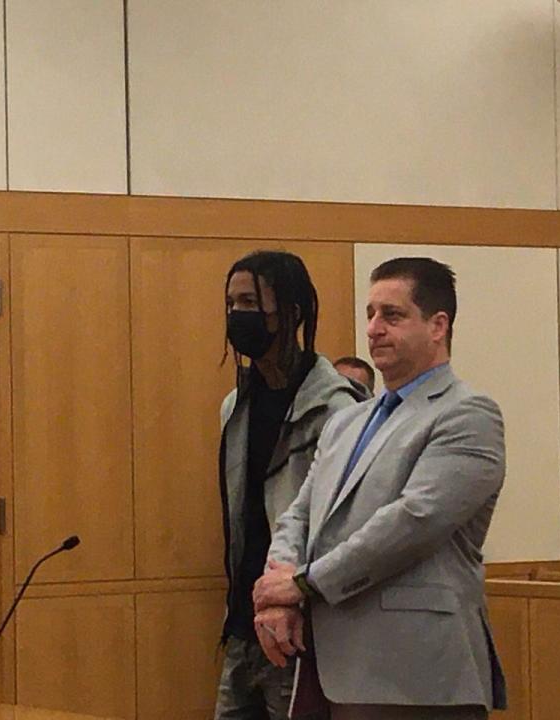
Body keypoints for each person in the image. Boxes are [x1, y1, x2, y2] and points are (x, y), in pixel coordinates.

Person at [253, 257, 508, 720]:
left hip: (415, 673)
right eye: (370, 314)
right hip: (328, 662)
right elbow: (299, 512)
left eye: (392, 315)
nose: (373, 328)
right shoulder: (346, 421)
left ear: (438, 326)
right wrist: (279, 587)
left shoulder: (468, 414)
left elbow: (413, 523)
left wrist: (304, 585)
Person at [215, 250, 365, 720]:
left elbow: (340, 524)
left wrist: (298, 595)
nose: (238, 315)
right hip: (244, 625)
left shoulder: (337, 410)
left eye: (251, 303)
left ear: (292, 313)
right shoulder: (234, 407)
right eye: (232, 303)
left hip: (302, 630)